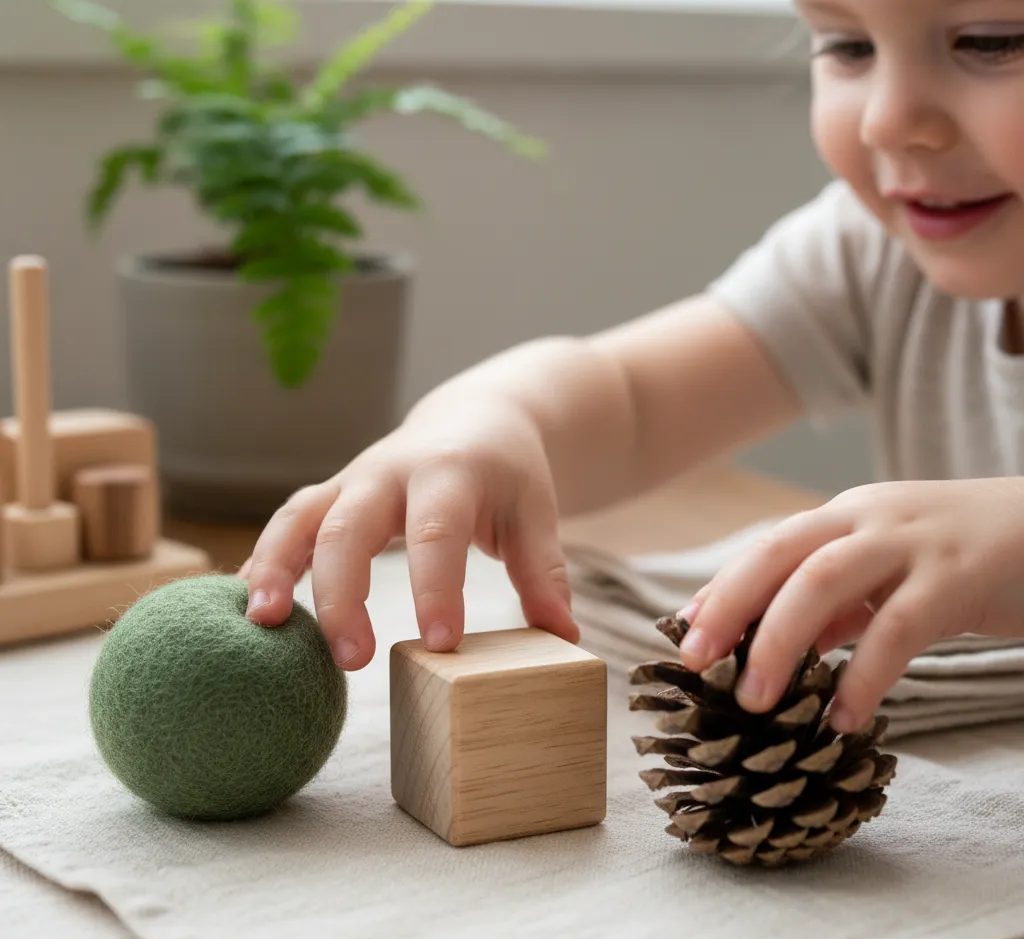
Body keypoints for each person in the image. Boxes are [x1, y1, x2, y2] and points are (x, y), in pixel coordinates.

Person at [239, 0, 1024, 737]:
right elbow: (634, 402)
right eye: (849, 45)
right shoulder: (875, 252)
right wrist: (483, 422)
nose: (888, 120)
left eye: (993, 41)